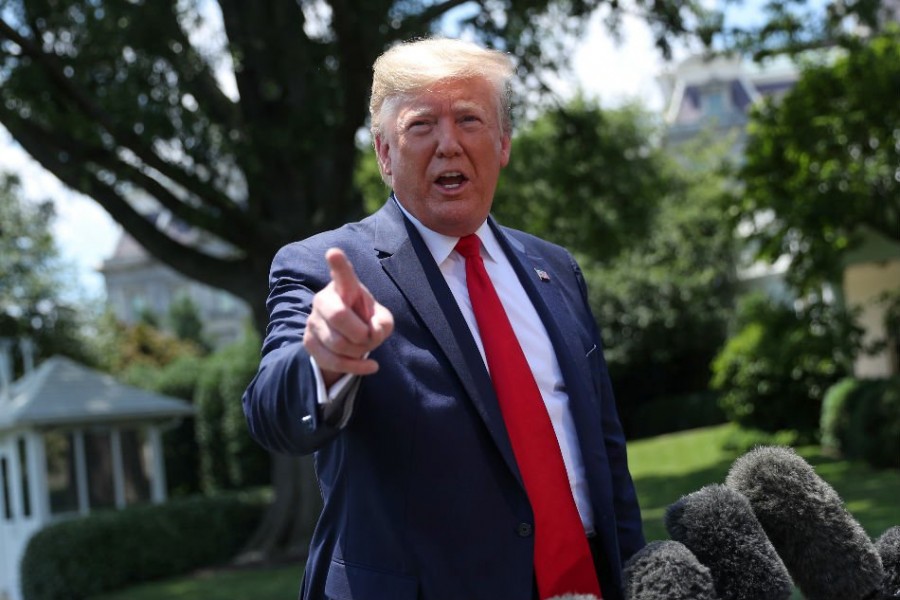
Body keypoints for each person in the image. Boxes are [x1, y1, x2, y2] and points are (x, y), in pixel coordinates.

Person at [242, 37, 645, 600]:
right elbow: (272, 412)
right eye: (421, 125)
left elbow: (604, 452)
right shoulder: (323, 268)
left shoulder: (555, 268)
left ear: (503, 142)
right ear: (385, 154)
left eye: (469, 119)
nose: (448, 144)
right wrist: (323, 361)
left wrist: (636, 573)